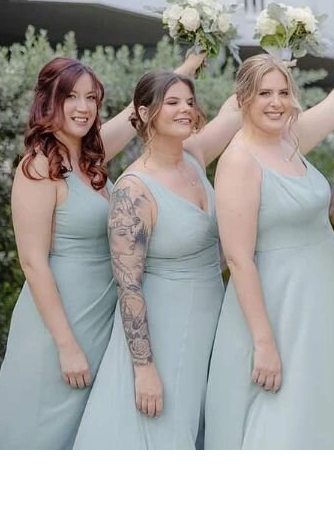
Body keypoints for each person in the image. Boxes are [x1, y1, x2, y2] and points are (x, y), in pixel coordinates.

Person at [0, 52, 203, 449]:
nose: (83, 107)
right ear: (48, 102)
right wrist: (66, 344)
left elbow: (137, 114)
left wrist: (184, 70)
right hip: (59, 323)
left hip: (100, 317)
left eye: (91, 98)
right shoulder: (38, 167)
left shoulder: (87, 158)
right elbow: (32, 262)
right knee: (39, 432)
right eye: (71, 97)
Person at [205, 40, 334, 449]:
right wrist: (263, 342)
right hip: (278, 309)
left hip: (319, 307)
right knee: (279, 418)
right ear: (242, 99)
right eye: (264, 94)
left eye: (282, 92)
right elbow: (238, 259)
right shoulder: (239, 160)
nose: (276, 103)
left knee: (315, 408)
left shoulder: (289, 140)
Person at [73, 71, 241, 449]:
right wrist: (145, 368)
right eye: (173, 102)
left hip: (208, 323)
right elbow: (128, 286)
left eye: (189, 101)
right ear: (146, 112)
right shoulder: (134, 191)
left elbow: (236, 110)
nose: (186, 109)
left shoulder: (194, 159)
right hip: (161, 333)